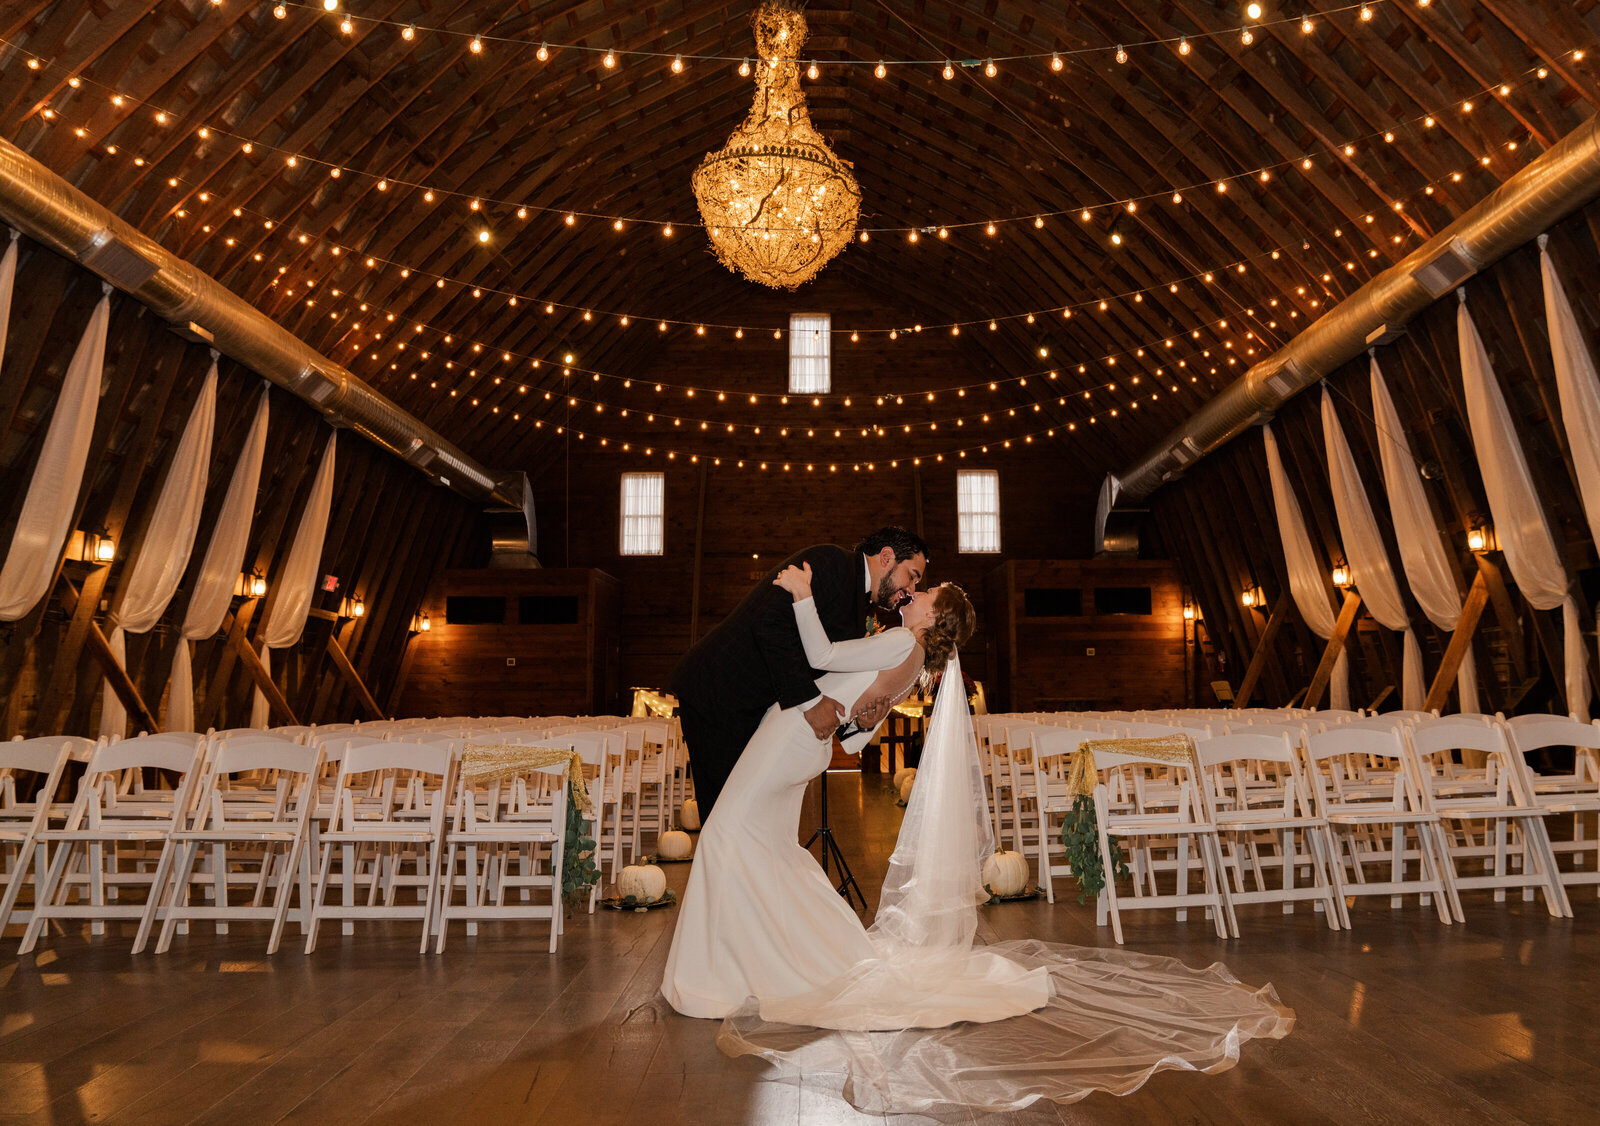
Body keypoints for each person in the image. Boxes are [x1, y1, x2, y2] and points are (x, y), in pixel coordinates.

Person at [663, 564, 1294, 1115]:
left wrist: (801, 595)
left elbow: (823, 656)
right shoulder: (909, 662)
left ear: (935, 614)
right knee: (759, 847)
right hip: (799, 747)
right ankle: (784, 960)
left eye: (923, 590)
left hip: (786, 744)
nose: (912, 591)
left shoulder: (896, 646)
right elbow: (857, 733)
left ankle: (729, 971)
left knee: (725, 838)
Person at [669, 527, 928, 818]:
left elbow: (828, 673)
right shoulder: (829, 562)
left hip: (751, 706)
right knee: (725, 815)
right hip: (721, 692)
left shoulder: (860, 605)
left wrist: (860, 724)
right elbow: (770, 623)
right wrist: (811, 702)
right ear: (886, 557)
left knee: (746, 815)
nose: (912, 590)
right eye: (912, 575)